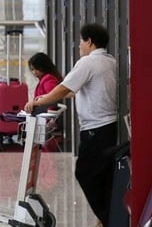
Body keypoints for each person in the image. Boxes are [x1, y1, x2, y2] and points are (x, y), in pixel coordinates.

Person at [25, 24, 117, 226]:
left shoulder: (87, 62)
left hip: (95, 129)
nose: (79, 45)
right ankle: (108, 217)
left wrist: (38, 102)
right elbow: (72, 91)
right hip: (109, 127)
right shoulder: (109, 61)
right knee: (104, 175)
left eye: (81, 41)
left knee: (84, 173)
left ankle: (109, 218)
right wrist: (45, 98)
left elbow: (63, 88)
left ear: (90, 41)